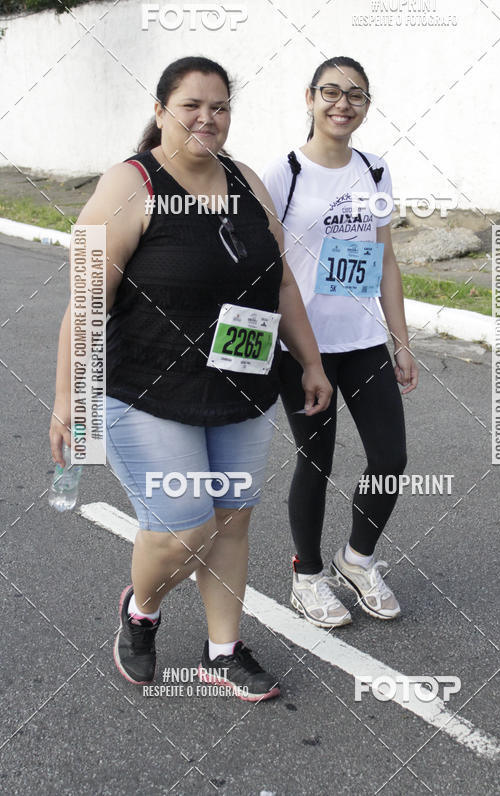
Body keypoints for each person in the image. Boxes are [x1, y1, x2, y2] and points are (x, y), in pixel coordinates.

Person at [49, 56, 332, 701]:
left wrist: (310, 361)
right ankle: (141, 610)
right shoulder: (132, 185)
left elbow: (281, 281)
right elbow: (86, 301)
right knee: (186, 523)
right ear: (160, 112)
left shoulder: (247, 181)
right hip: (147, 392)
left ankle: (223, 650)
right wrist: (68, 399)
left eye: (221, 107)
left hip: (241, 387)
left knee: (232, 518)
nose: (208, 118)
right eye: (192, 106)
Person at [262, 56, 418, 629]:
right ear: (309, 98)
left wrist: (400, 342)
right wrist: (299, 354)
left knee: (390, 457)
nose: (342, 103)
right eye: (330, 92)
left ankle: (357, 559)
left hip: (361, 341)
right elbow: (266, 265)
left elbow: (386, 261)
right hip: (305, 348)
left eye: (355, 94)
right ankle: (307, 576)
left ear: (366, 107)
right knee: (316, 460)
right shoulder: (283, 173)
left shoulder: (375, 171)